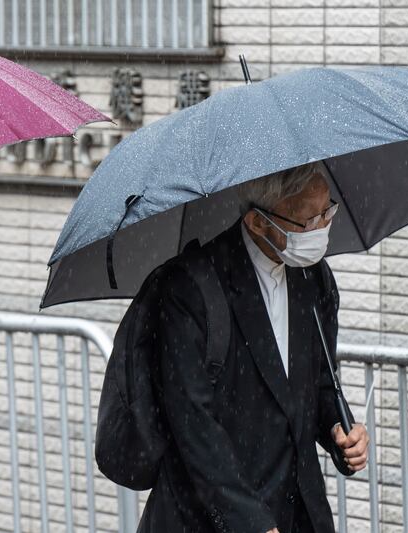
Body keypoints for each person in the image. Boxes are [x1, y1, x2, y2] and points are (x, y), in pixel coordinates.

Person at [138, 162, 369, 533]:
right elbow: (193, 424)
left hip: (299, 509)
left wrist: (339, 431)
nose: (322, 229)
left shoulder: (314, 277)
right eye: (307, 222)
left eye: (328, 212)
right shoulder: (193, 285)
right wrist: (249, 520)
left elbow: (319, 381)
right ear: (258, 222)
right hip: (210, 515)